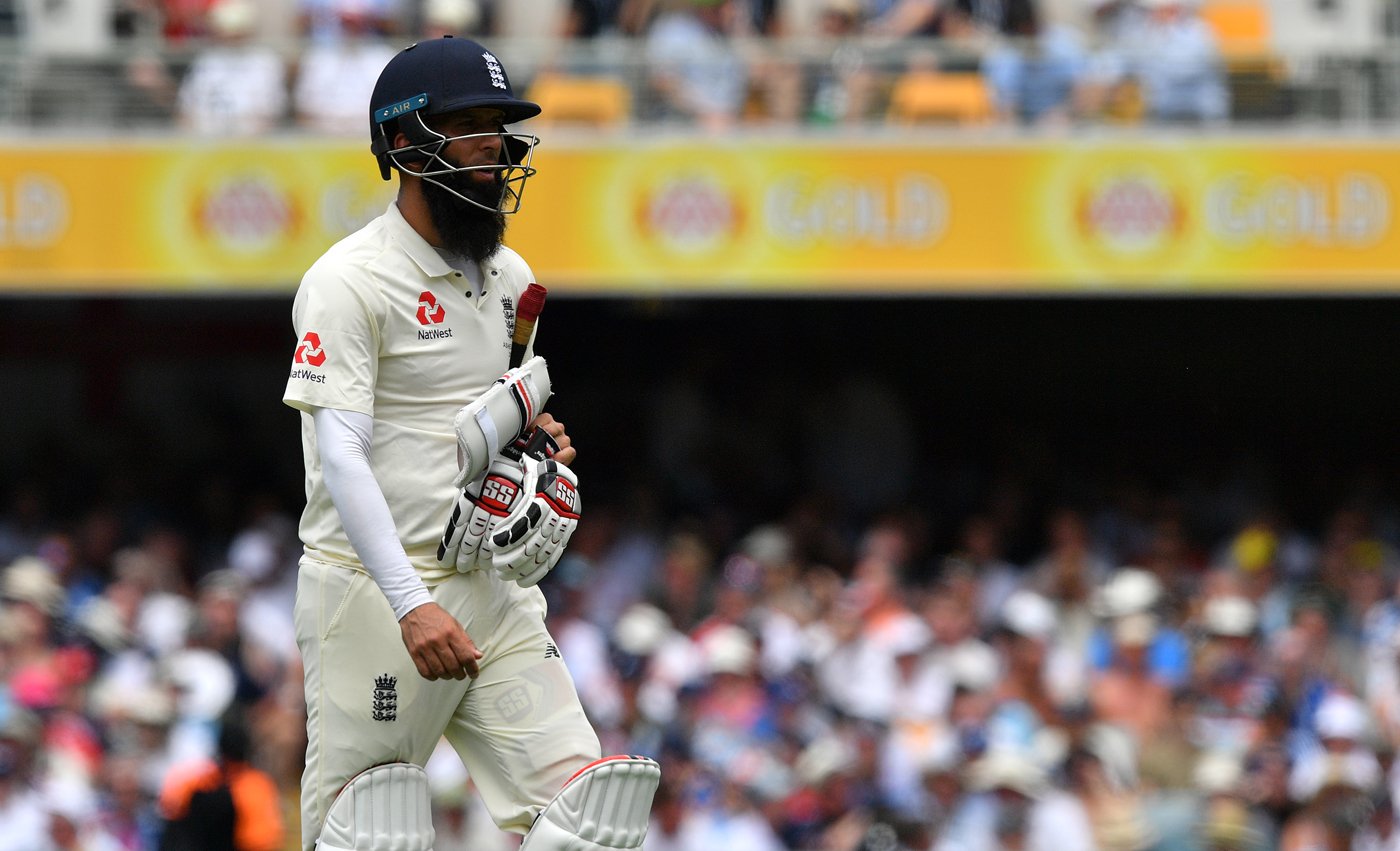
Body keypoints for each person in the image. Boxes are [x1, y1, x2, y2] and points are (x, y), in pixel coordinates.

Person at [281, 35, 659, 851]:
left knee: (595, 820)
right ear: (408, 144)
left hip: (492, 591)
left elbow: (478, 418)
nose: (497, 145)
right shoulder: (347, 282)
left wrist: (532, 442)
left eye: (501, 124)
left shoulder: (513, 277)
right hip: (377, 599)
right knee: (368, 833)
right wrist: (411, 604)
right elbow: (340, 455)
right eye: (472, 124)